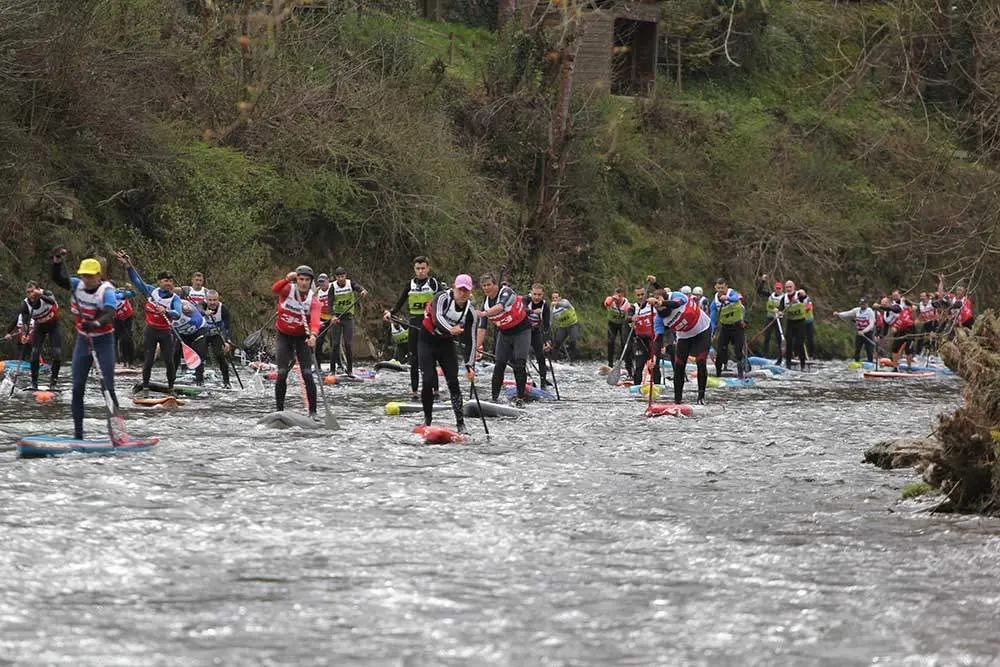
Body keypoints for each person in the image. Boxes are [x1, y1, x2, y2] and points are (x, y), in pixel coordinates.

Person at [50, 251, 119, 440]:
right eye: (83, 275)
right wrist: (56, 262)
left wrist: (96, 323)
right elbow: (58, 278)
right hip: (83, 341)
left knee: (107, 386)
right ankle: (78, 435)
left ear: (99, 276)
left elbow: (110, 313)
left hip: (103, 341)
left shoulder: (107, 291)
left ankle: (117, 433)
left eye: (90, 276)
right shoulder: (75, 285)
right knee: (77, 387)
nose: (86, 279)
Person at [117, 251, 182, 392]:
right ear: (159, 282)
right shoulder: (151, 291)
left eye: (170, 281)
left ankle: (171, 388)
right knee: (148, 361)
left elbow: (177, 314)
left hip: (166, 332)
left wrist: (167, 311)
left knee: (169, 362)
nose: (169, 283)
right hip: (151, 330)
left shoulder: (175, 298)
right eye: (165, 281)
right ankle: (145, 387)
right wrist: (129, 266)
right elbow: (136, 281)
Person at [420, 274, 477, 432]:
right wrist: (451, 329)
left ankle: (460, 424)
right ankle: (428, 420)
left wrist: (469, 365)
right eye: (460, 290)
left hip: (446, 344)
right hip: (427, 341)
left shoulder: (470, 312)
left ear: (470, 292)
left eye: (466, 291)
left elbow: (470, 340)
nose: (463, 293)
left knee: (453, 382)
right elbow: (437, 317)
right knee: (428, 381)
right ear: (454, 288)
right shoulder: (442, 297)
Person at [384, 256, 442, 398]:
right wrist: (390, 313)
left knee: (430, 357)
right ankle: (415, 390)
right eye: (418, 269)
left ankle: (435, 389)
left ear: (428, 268)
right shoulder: (409, 284)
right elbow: (400, 302)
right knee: (414, 359)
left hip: (429, 325)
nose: (421, 271)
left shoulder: (433, 283)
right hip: (414, 324)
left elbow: (443, 301)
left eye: (423, 268)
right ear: (414, 269)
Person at [272, 266, 321, 415]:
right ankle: (279, 411)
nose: (304, 283)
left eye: (307, 280)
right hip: (283, 335)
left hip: (302, 338)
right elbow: (275, 289)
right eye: (301, 279)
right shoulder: (288, 290)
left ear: (311, 282)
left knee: (307, 373)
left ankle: (313, 412)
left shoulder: (313, 301)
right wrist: (286, 279)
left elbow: (315, 321)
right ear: (296, 279)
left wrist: (313, 335)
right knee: (282, 373)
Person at [477, 274, 530, 405]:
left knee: (519, 364)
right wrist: (477, 346)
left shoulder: (506, 292)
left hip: (522, 331)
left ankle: (520, 398)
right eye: (484, 286)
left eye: (489, 284)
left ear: (495, 285)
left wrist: (484, 313)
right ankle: (494, 398)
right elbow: (482, 327)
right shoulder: (486, 303)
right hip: (504, 334)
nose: (487, 288)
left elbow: (500, 307)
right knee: (499, 365)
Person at [652, 289, 712, 405]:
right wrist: (654, 357)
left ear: (665, 299)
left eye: (660, 304)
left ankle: (701, 398)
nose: (659, 309)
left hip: (702, 329)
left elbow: (677, 303)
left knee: (700, 361)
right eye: (657, 307)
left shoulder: (676, 296)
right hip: (684, 336)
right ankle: (677, 400)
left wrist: (662, 303)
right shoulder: (659, 320)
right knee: (679, 365)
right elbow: (658, 340)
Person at [14, 282, 62, 390]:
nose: (31, 294)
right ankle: (34, 383)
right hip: (39, 327)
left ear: (38, 289)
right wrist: (24, 336)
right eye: (28, 292)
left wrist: (40, 294)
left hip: (54, 325)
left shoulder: (46, 294)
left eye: (32, 291)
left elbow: (52, 301)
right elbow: (25, 323)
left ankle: (53, 383)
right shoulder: (25, 304)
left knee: (57, 353)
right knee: (34, 352)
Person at [328, 267, 368, 376]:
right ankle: (332, 370)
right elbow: (330, 303)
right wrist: (332, 316)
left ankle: (350, 370)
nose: (341, 279)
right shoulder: (333, 287)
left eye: (342, 276)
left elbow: (358, 287)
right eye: (338, 277)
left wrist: (362, 291)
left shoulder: (350, 283)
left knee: (348, 344)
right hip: (337, 318)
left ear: (345, 275)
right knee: (335, 344)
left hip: (348, 318)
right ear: (335, 277)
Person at [709, 278, 747, 380]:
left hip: (738, 327)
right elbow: (713, 321)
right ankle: (718, 375)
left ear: (726, 286)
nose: (720, 290)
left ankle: (741, 375)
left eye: (722, 287)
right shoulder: (715, 302)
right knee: (720, 352)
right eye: (718, 288)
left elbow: (736, 298)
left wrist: (727, 298)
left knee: (738, 351)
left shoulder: (732, 293)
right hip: (725, 329)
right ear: (716, 288)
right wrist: (712, 333)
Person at [199, 290, 233, 388]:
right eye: (210, 300)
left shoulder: (223, 309)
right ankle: (199, 382)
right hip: (204, 334)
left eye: (215, 300)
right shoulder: (202, 305)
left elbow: (227, 327)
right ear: (206, 300)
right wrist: (205, 312)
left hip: (216, 335)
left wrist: (226, 341)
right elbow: (198, 309)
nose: (212, 302)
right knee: (200, 356)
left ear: (218, 300)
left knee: (219, 355)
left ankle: (226, 382)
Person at [172, 300, 209, 385]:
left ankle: (200, 381)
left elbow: (197, 319)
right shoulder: (165, 312)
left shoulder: (186, 307)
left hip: (199, 330)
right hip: (183, 333)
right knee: (176, 353)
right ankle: (171, 379)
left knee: (199, 352)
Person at [630, 285, 660, 386]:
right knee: (639, 365)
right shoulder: (633, 307)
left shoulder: (651, 304)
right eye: (638, 295)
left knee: (654, 366)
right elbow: (627, 317)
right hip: (640, 341)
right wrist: (632, 318)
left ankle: (657, 386)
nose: (640, 297)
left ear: (645, 294)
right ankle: (636, 387)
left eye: (642, 294)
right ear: (635, 295)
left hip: (653, 340)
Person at [524, 284, 552, 387]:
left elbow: (546, 325)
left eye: (539, 295)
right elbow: (522, 310)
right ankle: (526, 379)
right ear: (531, 292)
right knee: (521, 356)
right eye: (534, 294)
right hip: (523, 332)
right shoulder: (526, 300)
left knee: (541, 356)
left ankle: (543, 381)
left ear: (542, 294)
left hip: (535, 331)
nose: (536, 297)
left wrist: (548, 341)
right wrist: (532, 311)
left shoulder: (545, 305)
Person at [777, 280, 809, 370]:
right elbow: (781, 310)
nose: (788, 289)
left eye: (790, 287)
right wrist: (779, 313)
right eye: (787, 287)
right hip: (790, 322)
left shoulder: (799, 295)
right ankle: (788, 365)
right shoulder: (784, 298)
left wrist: (803, 294)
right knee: (789, 343)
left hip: (800, 322)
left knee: (799, 343)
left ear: (794, 287)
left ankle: (803, 365)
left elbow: (805, 297)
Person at [878, 290, 915, 367]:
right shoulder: (885, 315)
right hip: (899, 330)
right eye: (882, 304)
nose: (883, 305)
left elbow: (895, 309)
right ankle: (895, 366)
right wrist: (881, 337)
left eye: (885, 304)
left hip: (909, 328)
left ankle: (909, 367)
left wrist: (879, 306)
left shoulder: (896, 306)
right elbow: (885, 328)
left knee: (908, 349)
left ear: (889, 303)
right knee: (895, 348)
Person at [833, 298, 877, 362]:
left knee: (869, 349)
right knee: (857, 348)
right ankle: (856, 361)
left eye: (863, 304)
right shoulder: (856, 310)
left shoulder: (870, 312)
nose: (862, 305)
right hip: (859, 332)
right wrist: (838, 314)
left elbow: (871, 325)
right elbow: (847, 313)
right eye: (861, 304)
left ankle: (870, 361)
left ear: (867, 304)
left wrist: (863, 331)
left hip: (868, 333)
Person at [604, 287, 631, 368]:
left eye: (619, 296)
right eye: (616, 295)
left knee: (623, 342)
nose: (617, 298)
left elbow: (628, 316)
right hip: (612, 323)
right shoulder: (610, 299)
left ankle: (626, 364)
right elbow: (606, 304)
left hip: (622, 324)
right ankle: (610, 364)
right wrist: (612, 299)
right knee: (610, 341)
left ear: (622, 295)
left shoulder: (626, 304)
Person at [549, 291, 579, 362]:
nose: (555, 299)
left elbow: (565, 305)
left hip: (573, 325)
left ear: (560, 297)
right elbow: (551, 321)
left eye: (556, 297)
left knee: (572, 341)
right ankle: (554, 360)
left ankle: (572, 360)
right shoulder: (552, 309)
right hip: (563, 327)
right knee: (557, 343)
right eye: (553, 298)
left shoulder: (565, 302)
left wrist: (557, 303)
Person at [113, 284, 137, 367]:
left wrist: (130, 290)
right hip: (116, 319)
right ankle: (115, 362)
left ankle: (130, 362)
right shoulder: (105, 294)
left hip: (127, 318)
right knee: (113, 340)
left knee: (127, 339)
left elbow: (133, 293)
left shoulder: (120, 291)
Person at [314, 273, 333, 366]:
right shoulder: (317, 291)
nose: (322, 284)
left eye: (323, 282)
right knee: (318, 341)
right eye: (320, 282)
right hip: (322, 318)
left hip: (334, 317)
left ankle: (339, 364)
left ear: (328, 281)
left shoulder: (333, 287)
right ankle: (318, 366)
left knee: (335, 342)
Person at [762, 281, 784, 361]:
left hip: (779, 319)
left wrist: (779, 311)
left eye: (779, 289)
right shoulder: (770, 295)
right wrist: (763, 281)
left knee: (779, 338)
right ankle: (765, 355)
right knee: (767, 336)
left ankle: (780, 357)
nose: (778, 290)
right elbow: (759, 291)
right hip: (770, 318)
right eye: (777, 288)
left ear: (782, 289)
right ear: (775, 288)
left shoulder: (784, 297)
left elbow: (785, 307)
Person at [913, 292, 938, 358]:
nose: (921, 298)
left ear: (927, 297)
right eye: (921, 296)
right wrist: (917, 319)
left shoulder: (932, 302)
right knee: (920, 337)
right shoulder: (920, 304)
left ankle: (935, 354)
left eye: (923, 296)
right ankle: (917, 354)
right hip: (926, 322)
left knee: (933, 338)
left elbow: (939, 306)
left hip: (933, 322)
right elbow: (921, 313)